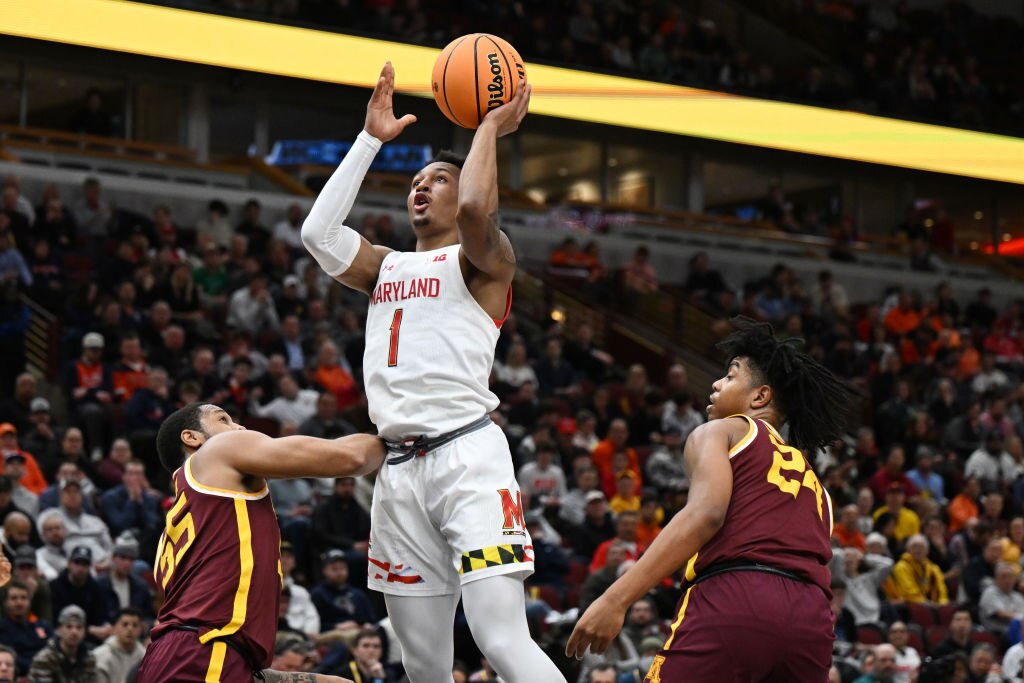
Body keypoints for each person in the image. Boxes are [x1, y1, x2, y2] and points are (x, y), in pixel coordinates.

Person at [300, 62, 562, 683]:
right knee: (422, 665)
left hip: (467, 459)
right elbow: (317, 231)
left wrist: (489, 128)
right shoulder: (382, 266)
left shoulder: (486, 262)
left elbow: (476, 207)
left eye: (437, 179)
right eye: (415, 181)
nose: (422, 188)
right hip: (398, 472)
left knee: (501, 640)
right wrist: (370, 140)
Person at [567, 317, 858, 681]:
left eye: (731, 376)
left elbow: (705, 515)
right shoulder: (817, 485)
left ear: (760, 396)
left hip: (736, 599)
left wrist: (615, 599)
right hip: (812, 622)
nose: (717, 383)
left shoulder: (721, 431)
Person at [135, 402, 385, 683]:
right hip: (204, 656)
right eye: (224, 419)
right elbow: (351, 458)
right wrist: (397, 435)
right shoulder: (218, 451)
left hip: (186, 657)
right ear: (192, 437)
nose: (239, 428)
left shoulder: (184, 520)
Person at [27, 604, 96, 682]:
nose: (74, 632)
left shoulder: (89, 659)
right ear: (59, 630)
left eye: (79, 627)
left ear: (84, 632)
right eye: (69, 627)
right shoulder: (44, 659)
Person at [92, 607, 144, 683]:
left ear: (141, 629)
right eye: (125, 624)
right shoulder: (99, 655)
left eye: (135, 625)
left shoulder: (145, 656)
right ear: (115, 627)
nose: (130, 629)